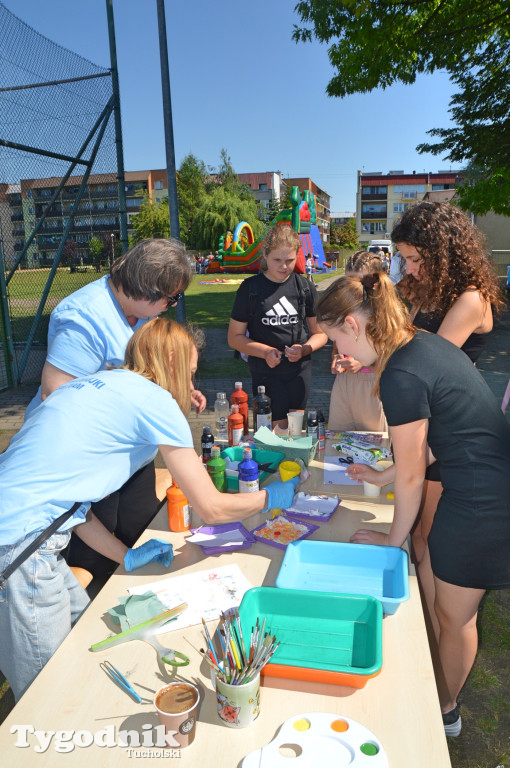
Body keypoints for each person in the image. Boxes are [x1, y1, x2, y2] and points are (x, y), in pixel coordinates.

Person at [0, 318, 298, 701]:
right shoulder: (153, 398)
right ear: (170, 361)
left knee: (85, 638)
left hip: (31, 537)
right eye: (190, 374)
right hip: (21, 551)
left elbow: (72, 508)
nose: (192, 387)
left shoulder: (88, 386)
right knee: (48, 695)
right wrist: (272, 497)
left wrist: (126, 555)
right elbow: (211, 507)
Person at [316, 272, 510, 738]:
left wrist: (392, 541)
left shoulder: (401, 373)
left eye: (337, 340)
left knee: (455, 616)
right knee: (441, 603)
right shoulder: (418, 344)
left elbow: (410, 475)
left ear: (353, 323)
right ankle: (436, 688)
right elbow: (443, 434)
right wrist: (385, 475)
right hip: (479, 485)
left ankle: (442, 710)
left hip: (485, 501)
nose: (340, 354)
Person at [25, 238, 207, 578]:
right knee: (92, 544)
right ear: (146, 289)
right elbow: (56, 393)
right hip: (88, 454)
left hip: (130, 450)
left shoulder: (138, 310)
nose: (172, 305)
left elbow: (153, 367)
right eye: (171, 297)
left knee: (138, 522)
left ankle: (129, 579)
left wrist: (183, 386)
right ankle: (89, 605)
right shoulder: (83, 317)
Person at [391, 202, 503, 564]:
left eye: (415, 259)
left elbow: (423, 363)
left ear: (443, 254)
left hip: (449, 434)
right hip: (427, 422)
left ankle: (437, 621)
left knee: (427, 538)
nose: (408, 268)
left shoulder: (470, 299)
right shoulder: (428, 291)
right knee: (420, 536)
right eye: (404, 259)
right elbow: (402, 344)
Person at [227, 225, 328, 429]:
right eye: (277, 260)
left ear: (298, 255)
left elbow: (321, 333)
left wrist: (305, 349)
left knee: (296, 432)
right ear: (265, 254)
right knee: (275, 434)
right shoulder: (250, 289)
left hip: (299, 372)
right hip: (266, 373)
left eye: (290, 261)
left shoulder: (304, 287)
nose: (284, 267)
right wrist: (265, 352)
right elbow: (234, 337)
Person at [328, 251, 387, 433]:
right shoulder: (345, 306)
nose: (353, 288)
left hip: (373, 384)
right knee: (337, 440)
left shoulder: (383, 311)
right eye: (349, 282)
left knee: (374, 447)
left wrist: (362, 362)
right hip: (344, 381)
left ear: (375, 282)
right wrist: (336, 358)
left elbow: (392, 356)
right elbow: (337, 345)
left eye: (360, 283)